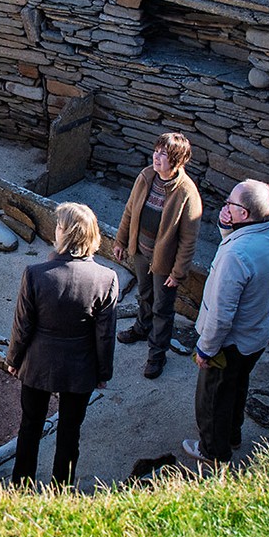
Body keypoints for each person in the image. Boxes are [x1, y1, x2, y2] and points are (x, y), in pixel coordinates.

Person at [6, 202, 118, 487]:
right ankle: (61, 489)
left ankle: (21, 487)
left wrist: (14, 360)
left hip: (38, 363)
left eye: (58, 225)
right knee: (70, 432)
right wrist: (103, 373)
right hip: (80, 368)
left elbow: (22, 326)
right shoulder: (107, 279)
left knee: (30, 426)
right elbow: (105, 335)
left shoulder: (35, 274)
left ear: (66, 234)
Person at [182, 179, 269, 465]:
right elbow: (243, 242)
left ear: (244, 214)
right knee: (237, 387)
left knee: (212, 398)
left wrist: (206, 349)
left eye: (231, 203)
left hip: (229, 344)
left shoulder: (235, 256)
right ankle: (232, 435)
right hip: (256, 335)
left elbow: (221, 312)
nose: (225, 205)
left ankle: (213, 451)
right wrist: (228, 228)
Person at [113, 133, 203, 379]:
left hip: (164, 263)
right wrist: (121, 241)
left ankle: (157, 355)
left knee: (162, 308)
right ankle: (142, 328)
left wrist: (178, 272)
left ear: (177, 161)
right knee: (145, 295)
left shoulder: (187, 193)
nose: (156, 157)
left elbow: (188, 240)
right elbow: (129, 211)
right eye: (156, 151)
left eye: (164, 154)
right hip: (141, 253)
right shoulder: (146, 176)